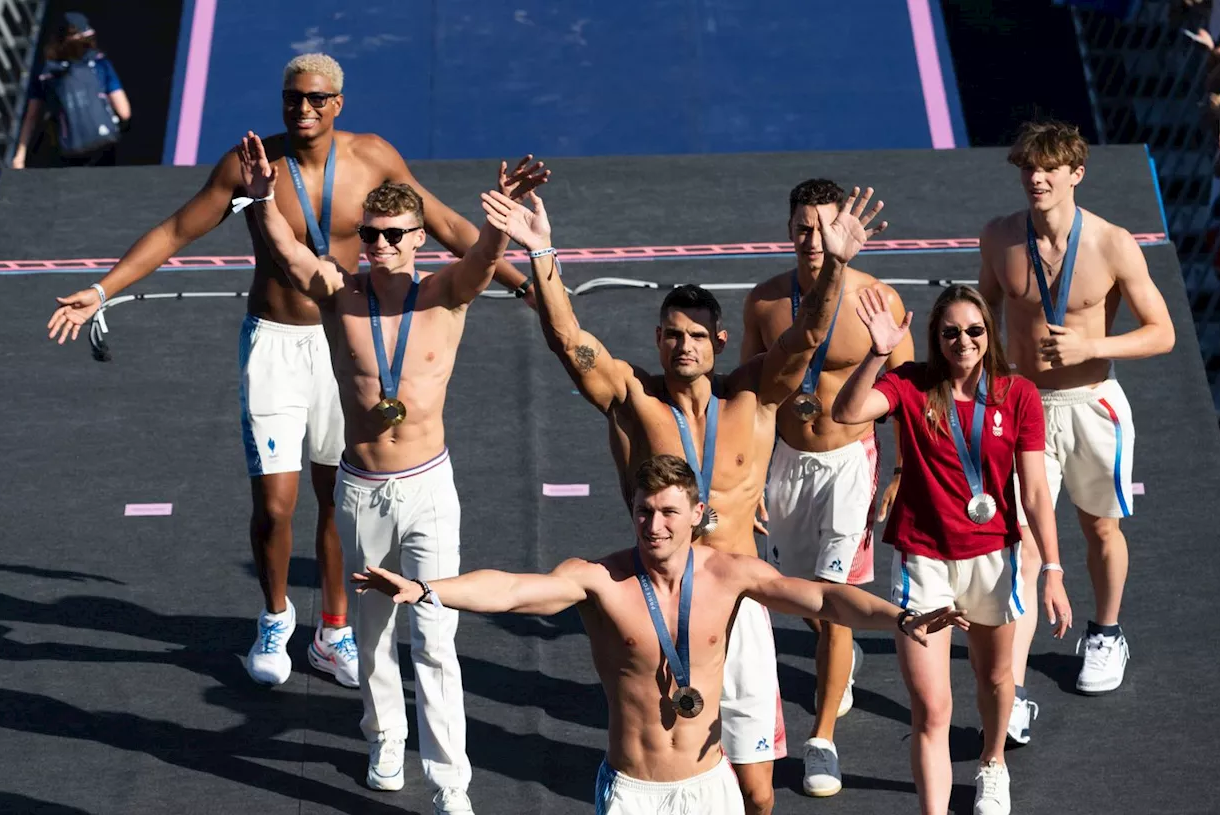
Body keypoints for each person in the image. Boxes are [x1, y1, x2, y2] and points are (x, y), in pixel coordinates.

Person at [45, 54, 544, 695]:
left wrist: (526, 286)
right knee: (274, 507)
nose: (301, 111)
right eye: (291, 99)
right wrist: (101, 289)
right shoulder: (252, 164)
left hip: (347, 347)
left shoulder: (372, 157)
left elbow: (445, 225)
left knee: (338, 500)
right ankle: (276, 616)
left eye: (314, 100)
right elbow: (176, 229)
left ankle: (332, 632)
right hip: (275, 346)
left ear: (338, 103)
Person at [533, 183, 888, 814]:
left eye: (697, 334)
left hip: (735, 599)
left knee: (756, 791)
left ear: (720, 342)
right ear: (658, 338)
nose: (683, 345)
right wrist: (543, 255)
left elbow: (806, 336)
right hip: (657, 603)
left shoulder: (753, 398)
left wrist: (835, 265)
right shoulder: (633, 400)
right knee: (662, 767)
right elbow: (570, 342)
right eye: (672, 334)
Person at [351, 454, 966, 815]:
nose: (655, 523)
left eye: (669, 511)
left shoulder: (730, 575)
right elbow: (513, 590)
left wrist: (899, 618)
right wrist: (429, 588)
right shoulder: (601, 581)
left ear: (697, 516)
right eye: (645, 510)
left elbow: (826, 598)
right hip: (633, 794)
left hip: (711, 788)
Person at [237, 128, 547, 814]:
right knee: (371, 636)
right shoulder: (337, 294)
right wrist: (261, 202)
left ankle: (450, 783)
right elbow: (289, 255)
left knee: (436, 637)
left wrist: (502, 226)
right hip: (362, 493)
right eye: (370, 234)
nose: (379, 246)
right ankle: (384, 736)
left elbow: (484, 259)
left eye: (394, 234)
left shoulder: (446, 293)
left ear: (418, 239)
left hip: (430, 489)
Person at [832, 284, 1072, 815]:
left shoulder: (1018, 394)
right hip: (924, 563)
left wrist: (1051, 569)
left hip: (995, 560)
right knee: (932, 709)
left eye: (974, 330)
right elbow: (847, 413)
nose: (963, 340)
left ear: (989, 334)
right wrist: (877, 352)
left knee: (993, 678)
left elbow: (1033, 492)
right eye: (950, 332)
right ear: (935, 338)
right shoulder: (910, 384)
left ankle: (992, 763)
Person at [978, 120, 1175, 734]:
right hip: (1023, 405)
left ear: (1075, 173)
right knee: (1026, 544)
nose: (1035, 179)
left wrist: (1095, 339)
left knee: (1100, 528)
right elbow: (982, 314)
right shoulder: (1000, 237)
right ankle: (1008, 686)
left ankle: (1107, 632)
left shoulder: (1113, 244)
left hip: (1093, 403)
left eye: (1047, 169)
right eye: (1026, 169)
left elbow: (1162, 332)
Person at [740, 178, 914, 797]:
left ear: (846, 232)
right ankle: (837, 662)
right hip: (787, 461)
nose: (812, 239)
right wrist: (750, 476)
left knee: (835, 605)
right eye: (802, 227)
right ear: (787, 230)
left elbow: (909, 396)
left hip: (847, 466)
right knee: (799, 595)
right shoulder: (764, 304)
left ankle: (821, 742)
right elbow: (759, 398)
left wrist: (897, 474)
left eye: (825, 227)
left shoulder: (877, 300)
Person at [12, 11, 131, 169]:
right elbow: (124, 112)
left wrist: (20, 156)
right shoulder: (100, 64)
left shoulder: (45, 73)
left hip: (68, 150)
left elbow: (31, 117)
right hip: (105, 145)